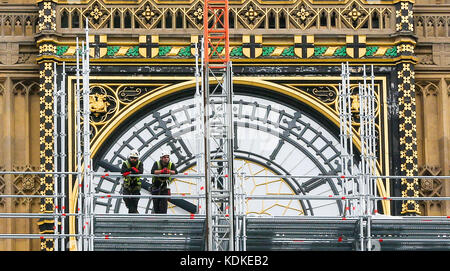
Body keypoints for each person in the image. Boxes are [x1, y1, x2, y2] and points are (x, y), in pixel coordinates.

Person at [121, 149, 144, 213]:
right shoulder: (125, 163)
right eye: (132, 158)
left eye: (135, 158)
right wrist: (131, 169)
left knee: (135, 200)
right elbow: (123, 172)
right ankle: (134, 212)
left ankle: (133, 214)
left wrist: (129, 171)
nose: (133, 159)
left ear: (137, 158)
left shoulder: (140, 163)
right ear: (129, 157)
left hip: (136, 185)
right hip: (127, 184)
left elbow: (140, 172)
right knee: (126, 198)